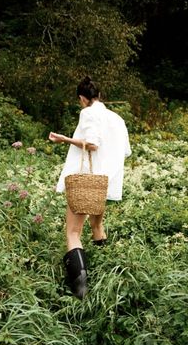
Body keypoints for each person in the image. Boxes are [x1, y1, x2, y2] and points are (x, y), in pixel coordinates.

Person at [49, 76, 131, 299]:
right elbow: (125, 151)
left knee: (73, 232)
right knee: (97, 226)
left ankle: (80, 291)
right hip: (104, 183)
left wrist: (63, 139)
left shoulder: (88, 112)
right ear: (100, 95)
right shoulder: (117, 119)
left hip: (85, 181)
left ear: (82, 99)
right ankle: (108, 272)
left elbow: (93, 144)